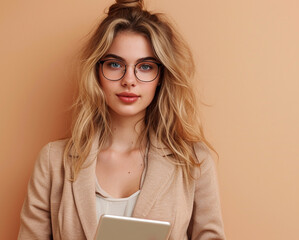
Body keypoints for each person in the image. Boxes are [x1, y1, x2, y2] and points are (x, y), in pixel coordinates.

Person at [17, 0, 225, 239]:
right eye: (115, 64)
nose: (129, 80)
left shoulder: (194, 162)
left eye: (145, 66)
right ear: (97, 71)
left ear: (161, 77)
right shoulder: (53, 161)